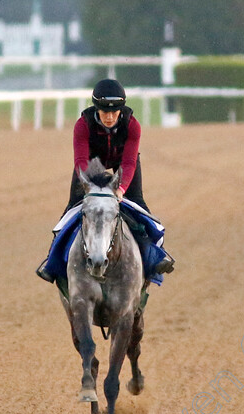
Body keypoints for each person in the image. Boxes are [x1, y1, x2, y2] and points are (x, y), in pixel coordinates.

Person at [36, 79, 174, 284]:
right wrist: (89, 187)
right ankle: (52, 261)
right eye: (104, 112)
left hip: (123, 164)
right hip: (92, 165)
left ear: (121, 110)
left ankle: (156, 256)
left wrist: (121, 189)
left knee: (139, 206)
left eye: (114, 112)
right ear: (96, 109)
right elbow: (81, 162)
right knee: (71, 209)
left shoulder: (133, 126)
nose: (109, 117)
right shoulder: (83, 125)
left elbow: (128, 162)